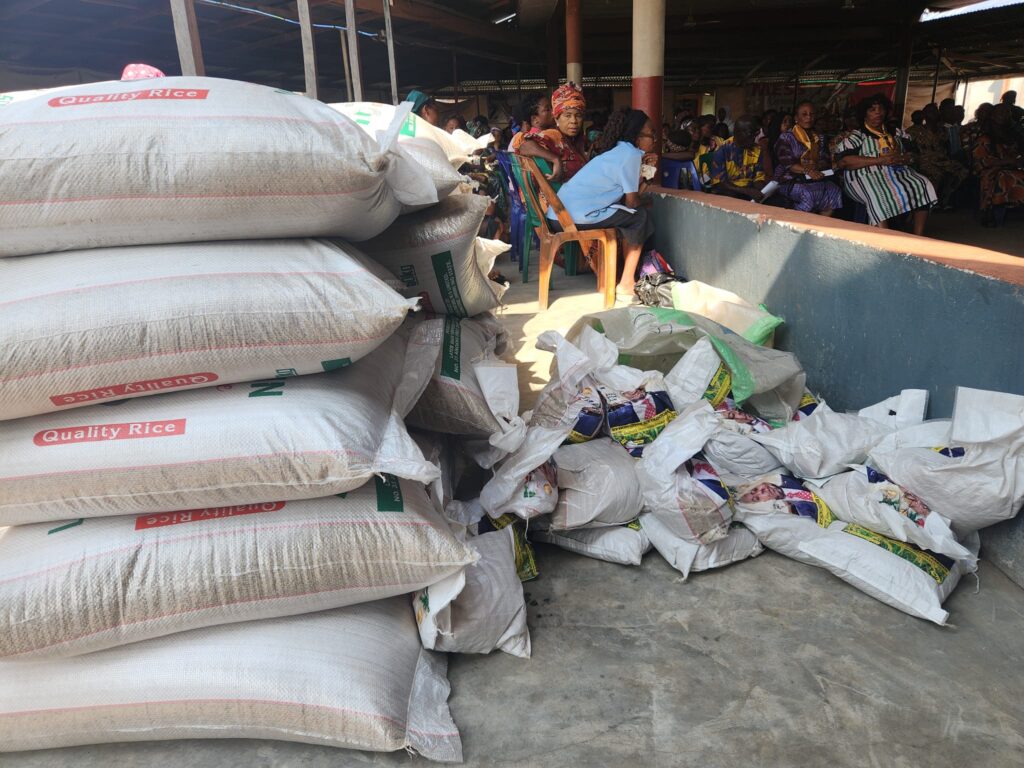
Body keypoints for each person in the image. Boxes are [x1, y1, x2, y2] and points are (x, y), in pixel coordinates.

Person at [545, 107, 657, 298]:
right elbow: (631, 203)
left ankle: (626, 276)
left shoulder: (621, 151)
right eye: (651, 134)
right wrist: (644, 191)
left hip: (557, 216)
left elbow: (627, 198)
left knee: (633, 216)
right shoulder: (631, 155)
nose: (654, 139)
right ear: (637, 137)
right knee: (640, 218)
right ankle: (627, 283)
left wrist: (646, 178)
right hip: (573, 217)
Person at [833, 93, 937, 234]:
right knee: (877, 195)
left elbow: (914, 154)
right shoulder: (857, 136)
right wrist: (881, 160)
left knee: (923, 184)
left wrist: (904, 158)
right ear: (864, 114)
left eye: (881, 109)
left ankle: (918, 236)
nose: (878, 112)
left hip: (896, 173)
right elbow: (844, 161)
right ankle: (885, 237)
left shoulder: (896, 133)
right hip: (863, 176)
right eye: (872, 110)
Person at [773, 101, 842, 216]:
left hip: (813, 177)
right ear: (796, 118)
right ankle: (798, 223)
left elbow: (825, 160)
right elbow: (788, 164)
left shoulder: (819, 137)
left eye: (812, 114)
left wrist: (817, 166)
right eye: (804, 114)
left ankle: (821, 225)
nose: (809, 117)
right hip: (790, 180)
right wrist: (808, 171)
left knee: (834, 190)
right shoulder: (786, 137)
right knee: (809, 193)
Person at [516, 81, 588, 183]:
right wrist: (555, 159)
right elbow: (525, 146)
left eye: (578, 115)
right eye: (567, 115)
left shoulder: (571, 139)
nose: (574, 121)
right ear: (557, 118)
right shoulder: (554, 135)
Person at [907, 103, 968, 210]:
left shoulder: (942, 130)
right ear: (924, 115)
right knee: (936, 173)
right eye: (930, 112)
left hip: (942, 160)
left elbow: (947, 147)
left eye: (935, 111)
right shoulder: (914, 131)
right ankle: (931, 202)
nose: (933, 114)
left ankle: (945, 200)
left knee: (962, 171)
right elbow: (909, 149)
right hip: (924, 161)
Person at [974, 103, 1024, 227]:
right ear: (992, 116)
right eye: (1001, 112)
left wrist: (1016, 160)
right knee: (1000, 176)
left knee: (1010, 175)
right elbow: (982, 161)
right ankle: (989, 211)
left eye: (1007, 113)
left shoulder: (1013, 135)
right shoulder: (984, 137)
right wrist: (1008, 161)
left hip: (1011, 168)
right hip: (990, 169)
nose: (1004, 115)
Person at [707, 116, 775, 203]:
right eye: (751, 134)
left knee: (774, 200)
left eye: (755, 134)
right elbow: (720, 184)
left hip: (748, 190)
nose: (754, 138)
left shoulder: (757, 150)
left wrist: (764, 190)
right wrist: (747, 191)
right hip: (729, 191)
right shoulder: (722, 150)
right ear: (738, 133)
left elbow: (758, 178)